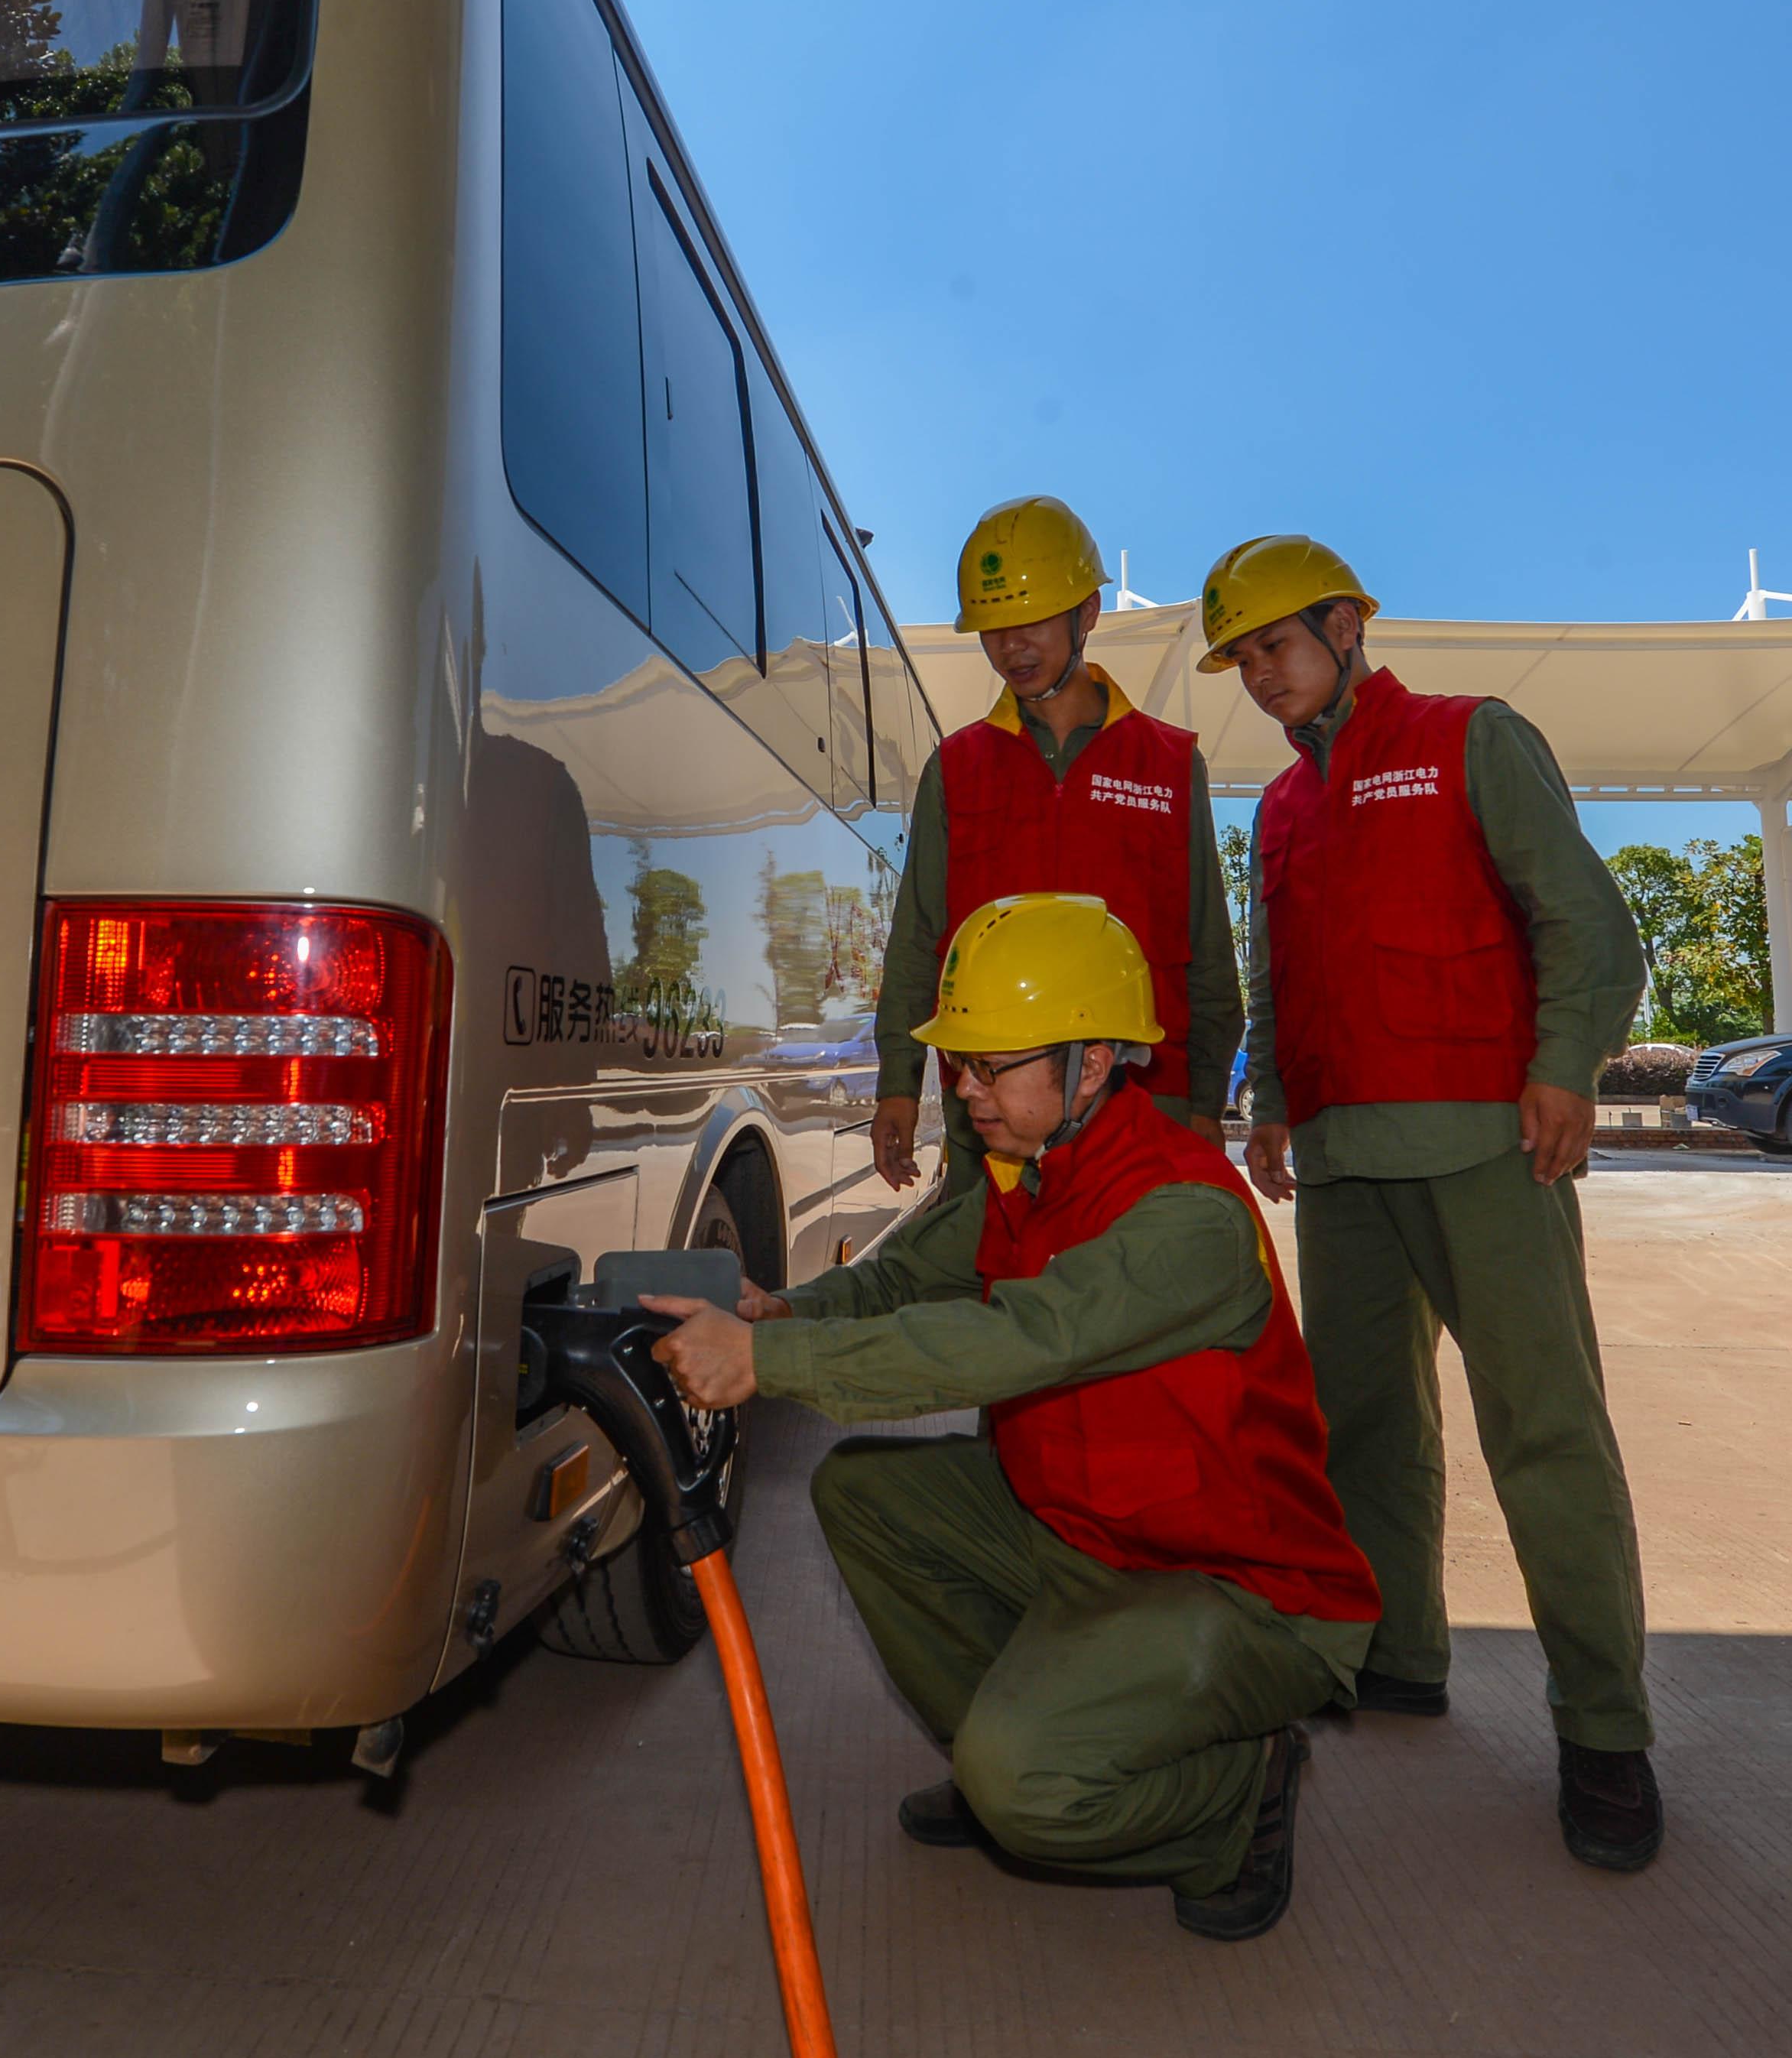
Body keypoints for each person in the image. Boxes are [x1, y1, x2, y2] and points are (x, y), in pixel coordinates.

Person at [644, 894, 1378, 1941]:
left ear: (1088, 1064)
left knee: (1026, 1790)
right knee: (861, 1491)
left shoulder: (1185, 1217)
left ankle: (1228, 1791)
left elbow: (1009, 1340)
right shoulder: (1028, 1174)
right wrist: (781, 1310)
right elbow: (900, 1280)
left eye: (992, 1064)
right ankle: (1025, 1743)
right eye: (959, 1061)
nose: (964, 1087)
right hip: (1087, 1531)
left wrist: (769, 1360)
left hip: (1232, 1584)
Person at [1196, 532, 1667, 1873]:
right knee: (1362, 1422)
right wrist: (1271, 1101)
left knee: (1543, 1429)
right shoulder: (1276, 813)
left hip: (1483, 1146)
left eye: (1274, 646)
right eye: (1239, 659)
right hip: (1338, 1163)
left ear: (1347, 626)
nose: (1258, 676)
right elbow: (1280, 973)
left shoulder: (1471, 739)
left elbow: (1583, 920)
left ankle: (1604, 1731)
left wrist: (1563, 1064)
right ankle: (1395, 1654)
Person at [868, 495, 1242, 1217]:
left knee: (1132, 1309)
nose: (1012, 646)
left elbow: (1205, 942)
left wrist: (1205, 1095)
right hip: (993, 1100)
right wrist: (896, 1082)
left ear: (1089, 613)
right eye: (993, 628)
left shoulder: (1169, 762)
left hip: (1144, 1096)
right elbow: (917, 938)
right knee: (997, 1297)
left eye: (1032, 619)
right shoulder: (957, 766)